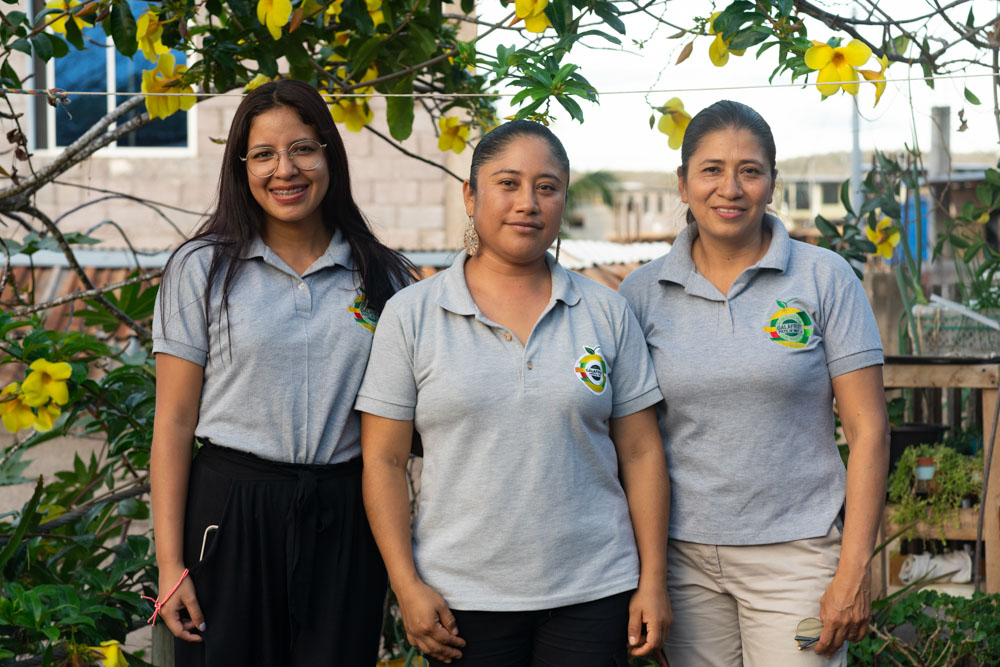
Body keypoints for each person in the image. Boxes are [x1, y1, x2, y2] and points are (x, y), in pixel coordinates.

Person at [357, 120, 672, 666]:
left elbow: (642, 453)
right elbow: (382, 459)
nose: (528, 202)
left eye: (546, 187)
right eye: (508, 183)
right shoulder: (413, 314)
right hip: (463, 599)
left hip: (595, 591)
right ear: (471, 196)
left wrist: (652, 581)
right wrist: (406, 584)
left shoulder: (605, 312)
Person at [149, 79, 414, 666]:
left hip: (344, 514)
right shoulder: (202, 268)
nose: (284, 170)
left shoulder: (381, 275)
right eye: (263, 154)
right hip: (230, 513)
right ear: (241, 166)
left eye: (303, 149)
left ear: (329, 156)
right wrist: (171, 566)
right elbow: (171, 422)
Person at [619, 99, 890, 666]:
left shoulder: (824, 278)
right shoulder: (640, 294)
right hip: (681, 561)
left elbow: (869, 431)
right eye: (712, 170)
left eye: (750, 170)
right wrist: (646, 575)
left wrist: (853, 567)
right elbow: (632, 444)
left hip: (797, 555)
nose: (730, 188)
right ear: (683, 183)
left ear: (772, 183)